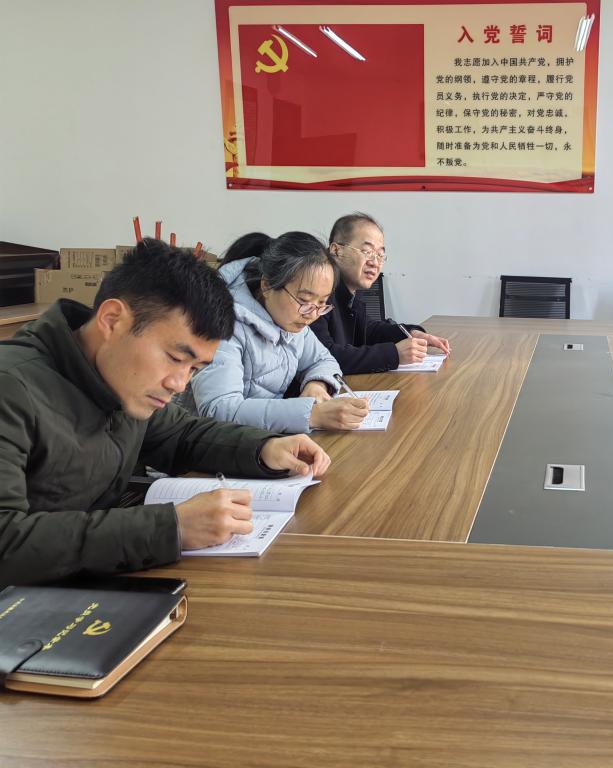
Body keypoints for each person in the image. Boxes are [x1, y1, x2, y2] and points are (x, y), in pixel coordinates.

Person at [0, 239, 331, 586]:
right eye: (175, 358)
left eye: (194, 369)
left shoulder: (117, 379)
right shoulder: (12, 389)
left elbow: (181, 434)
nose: (179, 384)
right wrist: (168, 528)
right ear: (112, 320)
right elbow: (6, 542)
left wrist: (263, 448)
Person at [182, 231, 369, 433]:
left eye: (322, 303)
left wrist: (317, 384)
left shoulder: (293, 322)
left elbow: (322, 359)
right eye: (304, 300)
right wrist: (311, 415)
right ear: (267, 285)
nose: (312, 314)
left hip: (261, 440)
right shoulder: (224, 325)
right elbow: (219, 408)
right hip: (206, 445)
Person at [310, 212, 451, 374]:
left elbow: (370, 331)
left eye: (380, 254)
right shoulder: (317, 294)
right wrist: (394, 354)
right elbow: (323, 357)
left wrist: (412, 333)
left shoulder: (350, 296)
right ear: (336, 250)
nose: (375, 262)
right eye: (367, 251)